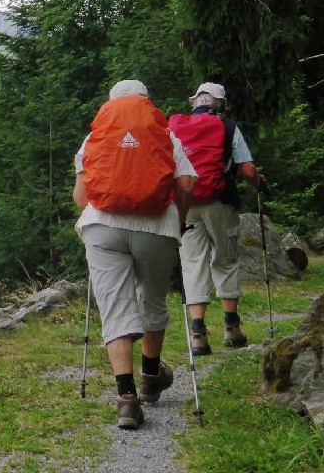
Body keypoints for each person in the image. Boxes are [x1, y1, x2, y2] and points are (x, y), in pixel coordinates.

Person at [73, 80, 196, 430]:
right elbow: (186, 185)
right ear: (146, 104)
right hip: (156, 228)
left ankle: (126, 400)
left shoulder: (94, 138)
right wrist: (181, 218)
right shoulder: (166, 136)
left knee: (114, 306)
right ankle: (150, 378)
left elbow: (82, 199)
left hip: (102, 228)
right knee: (153, 301)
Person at [170, 82, 263, 354]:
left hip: (185, 203)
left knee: (192, 263)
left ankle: (198, 335)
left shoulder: (175, 127)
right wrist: (259, 184)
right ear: (219, 103)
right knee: (225, 260)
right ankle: (231, 328)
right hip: (220, 202)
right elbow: (246, 170)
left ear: (194, 102)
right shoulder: (228, 126)